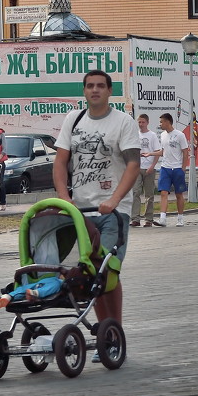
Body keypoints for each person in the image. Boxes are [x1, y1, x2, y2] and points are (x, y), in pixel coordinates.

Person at [53, 69, 140, 357]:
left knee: (108, 270)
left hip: (113, 211)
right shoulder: (73, 119)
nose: (94, 90)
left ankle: (114, 330)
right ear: (84, 91)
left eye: (100, 86)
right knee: (90, 274)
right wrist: (65, 198)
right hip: (82, 211)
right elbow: (61, 161)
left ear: (109, 90)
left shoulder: (123, 123)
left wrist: (115, 200)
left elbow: (133, 165)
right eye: (90, 86)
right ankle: (107, 334)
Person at [155, 112, 189, 227]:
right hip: (165, 168)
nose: (160, 124)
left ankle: (180, 218)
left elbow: (185, 151)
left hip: (177, 168)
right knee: (163, 192)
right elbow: (163, 151)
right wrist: (149, 154)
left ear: (168, 122)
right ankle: (162, 218)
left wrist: (183, 168)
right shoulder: (163, 135)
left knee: (179, 194)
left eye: (161, 122)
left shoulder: (179, 135)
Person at [131, 113, 161, 227]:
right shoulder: (135, 135)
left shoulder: (152, 135)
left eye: (143, 122)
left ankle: (148, 218)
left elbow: (158, 151)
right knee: (135, 192)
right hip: (137, 168)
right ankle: (135, 218)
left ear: (147, 123)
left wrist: (153, 166)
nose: (141, 124)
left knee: (149, 194)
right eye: (139, 122)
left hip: (149, 168)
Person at [0, 276, 64, 309]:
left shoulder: (59, 282)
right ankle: (5, 298)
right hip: (39, 284)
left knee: (55, 285)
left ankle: (8, 297)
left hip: (48, 285)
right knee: (24, 288)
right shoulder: (55, 278)